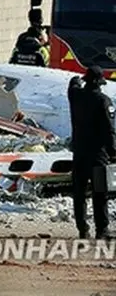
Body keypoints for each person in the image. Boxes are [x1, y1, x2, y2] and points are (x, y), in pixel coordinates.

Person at [68, 66, 116, 239]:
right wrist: (113, 151)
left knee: (79, 193)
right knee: (100, 193)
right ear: (99, 83)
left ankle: (83, 229)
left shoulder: (75, 96)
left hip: (79, 152)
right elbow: (109, 129)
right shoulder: (103, 101)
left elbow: (72, 84)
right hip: (98, 155)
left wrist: (78, 79)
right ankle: (102, 229)